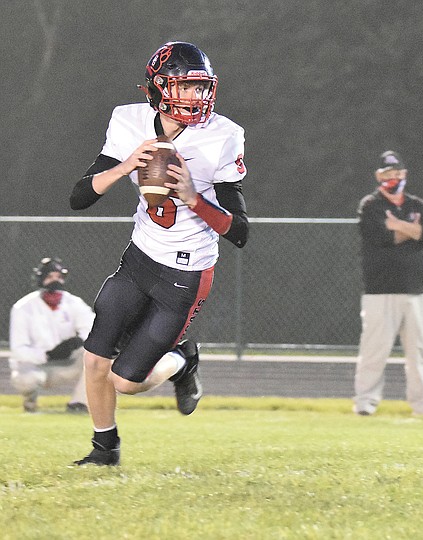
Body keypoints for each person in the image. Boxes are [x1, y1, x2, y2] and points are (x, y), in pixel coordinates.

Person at [68, 41, 249, 466]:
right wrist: (126, 164)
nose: (194, 97)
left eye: (199, 88)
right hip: (140, 257)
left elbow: (239, 231)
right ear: (157, 87)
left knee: (125, 381)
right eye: (183, 87)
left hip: (185, 273)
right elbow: (80, 196)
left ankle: (184, 360)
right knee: (95, 358)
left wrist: (194, 199)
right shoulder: (128, 120)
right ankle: (104, 450)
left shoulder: (223, 134)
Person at [353, 150, 423, 416]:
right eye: (388, 174)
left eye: (397, 173)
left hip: (417, 291)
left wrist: (398, 225)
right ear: (379, 176)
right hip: (380, 291)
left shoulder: (417, 204)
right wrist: (413, 231)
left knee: (418, 354)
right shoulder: (370, 205)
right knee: (374, 353)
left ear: (405, 175)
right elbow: (381, 237)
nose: (393, 178)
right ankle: (365, 403)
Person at [8, 257, 93, 414]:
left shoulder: (74, 303)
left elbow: (92, 330)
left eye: (59, 277)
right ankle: (30, 402)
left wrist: (80, 341)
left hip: (65, 366)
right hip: (35, 368)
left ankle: (79, 404)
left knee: (95, 357)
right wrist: (47, 355)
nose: (55, 281)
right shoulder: (22, 308)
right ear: (41, 279)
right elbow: (18, 349)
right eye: (50, 277)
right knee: (27, 380)